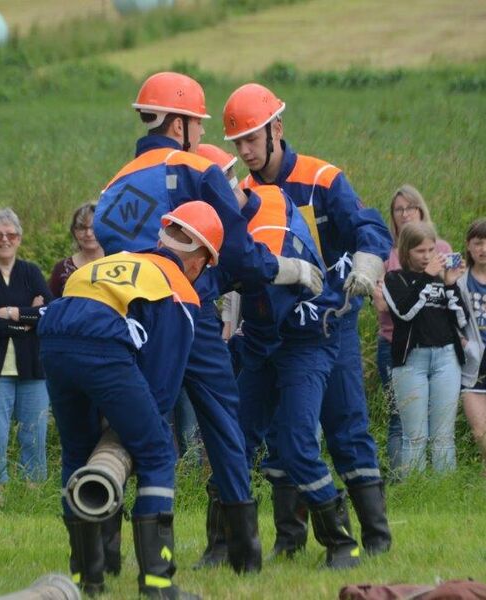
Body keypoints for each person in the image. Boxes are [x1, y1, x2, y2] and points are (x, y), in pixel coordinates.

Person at [93, 72, 323, 574]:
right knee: (223, 422)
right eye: (197, 123)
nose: (200, 134)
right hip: (187, 311)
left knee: (137, 423)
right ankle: (245, 552)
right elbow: (238, 251)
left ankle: (105, 552)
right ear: (178, 124)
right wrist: (282, 269)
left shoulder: (111, 186)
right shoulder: (197, 168)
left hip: (126, 315)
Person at [223, 83, 393, 558]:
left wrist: (366, 264)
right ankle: (289, 541)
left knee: (345, 427)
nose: (245, 151)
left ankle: (375, 540)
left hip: (329, 326)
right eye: (237, 143)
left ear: (277, 128)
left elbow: (370, 228)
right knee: (283, 436)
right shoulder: (243, 193)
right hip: (268, 332)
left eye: (252, 139)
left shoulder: (323, 178)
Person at [39, 202, 224, 599]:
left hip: (52, 336)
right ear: (199, 260)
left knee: (77, 452)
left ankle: (87, 578)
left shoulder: (115, 260)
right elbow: (162, 379)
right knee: (157, 452)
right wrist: (141, 425)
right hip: (101, 342)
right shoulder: (179, 287)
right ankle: (158, 583)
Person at [197, 143, 363, 569]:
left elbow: (260, 288)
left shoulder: (270, 211)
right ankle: (222, 546)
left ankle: (342, 542)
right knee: (233, 440)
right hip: (261, 340)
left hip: (305, 342)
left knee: (295, 442)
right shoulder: (222, 224)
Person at [0, 207, 52, 489]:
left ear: (19, 238)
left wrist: (11, 312)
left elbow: (49, 314)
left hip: (32, 369)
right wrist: (26, 319)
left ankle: (34, 493)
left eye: (11, 234)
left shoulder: (31, 272)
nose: (5, 239)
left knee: (35, 434)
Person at [373, 185, 452, 475]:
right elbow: (381, 305)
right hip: (396, 342)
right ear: (392, 217)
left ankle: (439, 484)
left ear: (421, 210)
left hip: (437, 343)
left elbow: (451, 293)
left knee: (439, 420)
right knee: (400, 417)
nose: (405, 214)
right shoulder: (386, 254)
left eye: (411, 207)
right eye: (398, 209)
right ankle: (401, 481)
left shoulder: (441, 249)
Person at [382, 221, 468, 477]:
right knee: (414, 436)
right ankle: (414, 492)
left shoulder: (442, 280)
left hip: (446, 358)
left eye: (431, 250)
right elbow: (404, 311)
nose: (428, 256)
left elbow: (462, 321)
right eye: (420, 251)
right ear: (406, 251)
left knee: (444, 436)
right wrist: (427, 277)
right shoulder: (393, 278)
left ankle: (444, 494)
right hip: (411, 362)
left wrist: (451, 284)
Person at [458, 219, 486, 472]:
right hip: (473, 365)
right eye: (478, 243)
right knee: (481, 433)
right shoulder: (460, 282)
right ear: (469, 245)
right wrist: (464, 342)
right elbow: (448, 317)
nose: (483, 249)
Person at [49, 202, 104, 298]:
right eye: (82, 228)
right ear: (73, 231)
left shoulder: (119, 264)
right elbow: (51, 306)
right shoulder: (61, 269)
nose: (88, 233)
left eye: (93, 227)